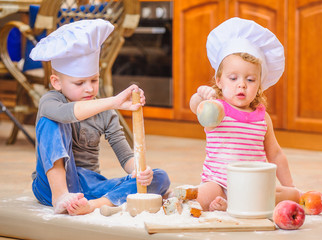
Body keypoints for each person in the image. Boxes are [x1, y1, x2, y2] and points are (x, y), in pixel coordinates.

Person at [30, 19, 170, 216]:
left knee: (160, 178)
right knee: (50, 120)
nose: (89, 88)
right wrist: (113, 102)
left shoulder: (105, 111)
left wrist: (139, 171)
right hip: (49, 185)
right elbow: (66, 113)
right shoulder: (50, 101)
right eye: (79, 83)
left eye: (94, 80)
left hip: (89, 187)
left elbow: (125, 155)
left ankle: (95, 205)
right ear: (56, 82)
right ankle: (60, 196)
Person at [189, 18, 301, 212]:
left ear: (259, 84)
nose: (241, 84)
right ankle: (228, 203)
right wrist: (201, 96)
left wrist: (290, 186)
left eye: (250, 79)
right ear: (219, 81)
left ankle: (233, 205)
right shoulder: (217, 109)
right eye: (233, 78)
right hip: (219, 185)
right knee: (200, 196)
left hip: (254, 185)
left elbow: (275, 154)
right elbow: (196, 107)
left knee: (293, 195)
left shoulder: (262, 118)